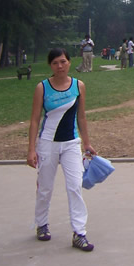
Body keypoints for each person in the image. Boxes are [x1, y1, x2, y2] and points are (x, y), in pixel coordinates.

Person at [26, 48, 96, 252]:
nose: (60, 66)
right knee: (45, 188)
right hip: (48, 144)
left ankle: (79, 233)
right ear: (50, 65)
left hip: (71, 144)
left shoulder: (78, 86)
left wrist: (87, 143)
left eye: (63, 62)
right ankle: (42, 224)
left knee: (75, 187)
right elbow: (34, 120)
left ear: (69, 62)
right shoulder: (42, 87)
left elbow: (81, 116)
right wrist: (31, 149)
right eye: (55, 63)